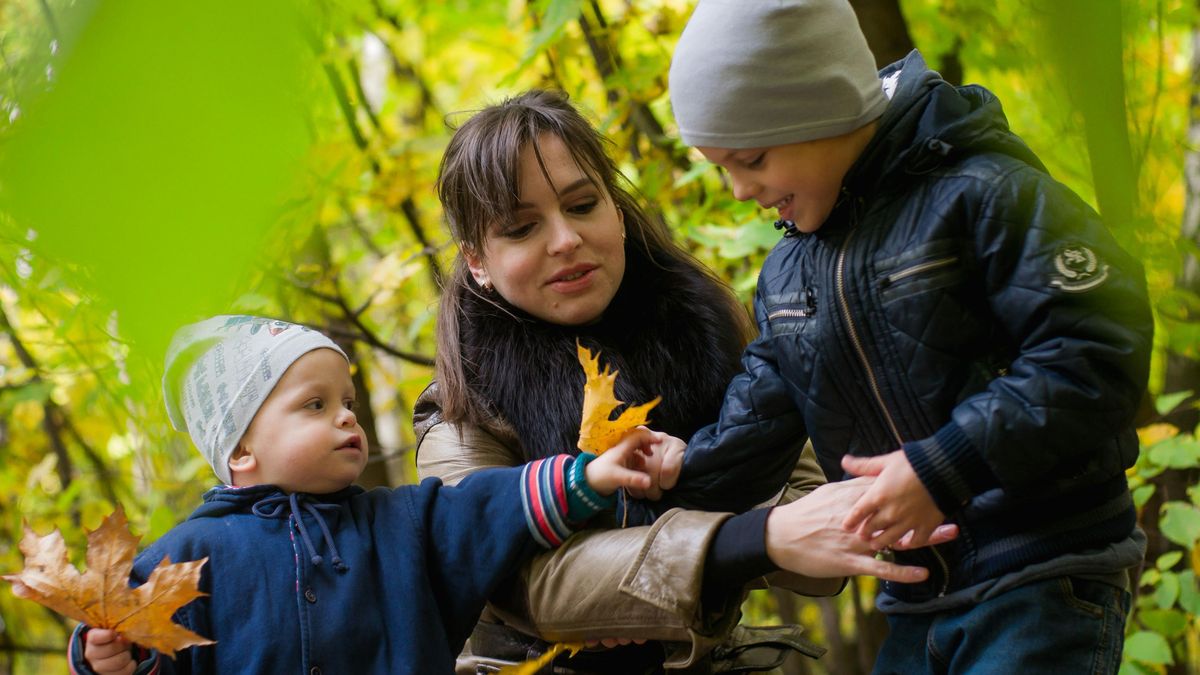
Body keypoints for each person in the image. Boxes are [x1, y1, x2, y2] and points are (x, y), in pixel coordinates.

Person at [633, 0, 1155, 672]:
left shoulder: (982, 192)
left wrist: (946, 465)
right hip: (915, 595)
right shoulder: (790, 271)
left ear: (819, 107)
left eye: (752, 158)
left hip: (1040, 573)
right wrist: (686, 467)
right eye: (721, 168)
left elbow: (1094, 353)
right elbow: (763, 411)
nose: (739, 190)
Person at [417, 89, 957, 673]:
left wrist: (700, 470)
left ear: (616, 214)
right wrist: (757, 540)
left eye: (581, 206)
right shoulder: (460, 408)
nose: (565, 239)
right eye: (521, 228)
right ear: (477, 261)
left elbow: (811, 507)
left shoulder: (709, 335)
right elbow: (532, 588)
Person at [67, 314, 657, 675]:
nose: (347, 419)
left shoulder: (402, 522)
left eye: (347, 402)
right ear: (241, 451)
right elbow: (127, 631)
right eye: (314, 405)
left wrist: (587, 476)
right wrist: (103, 658)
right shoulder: (190, 555)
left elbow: (488, 506)